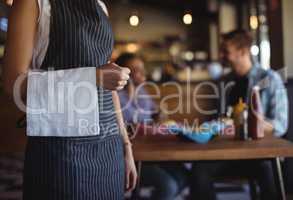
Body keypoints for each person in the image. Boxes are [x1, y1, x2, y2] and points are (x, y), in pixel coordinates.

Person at [3, 1, 137, 199]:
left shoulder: (100, 5)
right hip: (61, 149)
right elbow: (13, 83)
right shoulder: (33, 3)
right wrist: (93, 77)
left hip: (109, 148)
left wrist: (126, 146)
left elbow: (110, 88)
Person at [190, 30, 288, 200]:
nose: (221, 55)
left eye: (225, 51)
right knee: (199, 170)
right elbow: (217, 119)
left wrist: (247, 123)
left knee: (268, 168)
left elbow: (280, 124)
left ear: (243, 51)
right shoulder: (224, 81)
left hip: (259, 155)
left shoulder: (270, 79)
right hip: (226, 153)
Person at [116, 53, 188, 200]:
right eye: (136, 68)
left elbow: (154, 116)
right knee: (169, 185)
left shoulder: (142, 92)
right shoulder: (115, 95)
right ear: (123, 72)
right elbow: (124, 127)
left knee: (183, 175)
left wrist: (160, 115)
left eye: (142, 68)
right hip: (130, 158)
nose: (142, 72)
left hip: (151, 152)